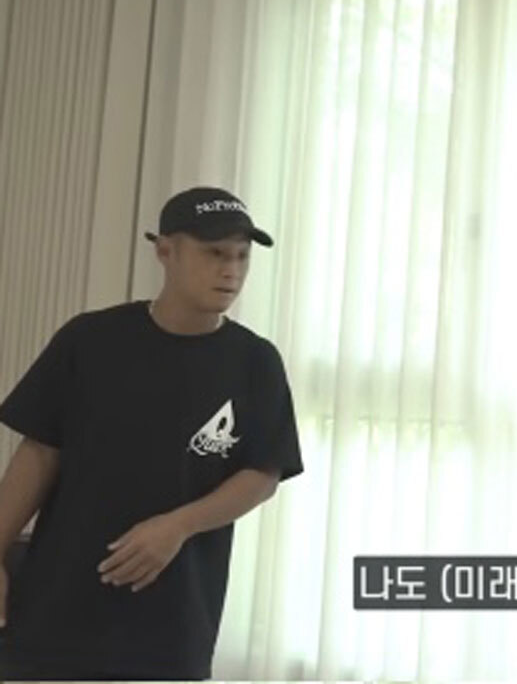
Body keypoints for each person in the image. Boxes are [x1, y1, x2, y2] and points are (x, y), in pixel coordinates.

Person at [0, 186, 304, 680]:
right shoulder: (89, 340)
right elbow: (38, 454)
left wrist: (178, 526)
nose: (230, 270)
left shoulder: (255, 362)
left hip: (173, 620)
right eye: (214, 253)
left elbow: (262, 475)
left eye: (241, 256)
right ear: (165, 251)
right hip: (56, 610)